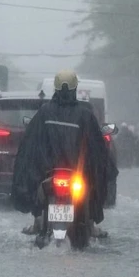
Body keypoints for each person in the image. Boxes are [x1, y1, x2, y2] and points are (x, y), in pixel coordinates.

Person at [13, 70, 118, 238]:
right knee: (96, 184)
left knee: (33, 181)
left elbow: (30, 145)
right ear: (75, 89)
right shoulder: (85, 114)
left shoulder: (45, 112)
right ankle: (89, 224)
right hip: (74, 173)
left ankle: (37, 222)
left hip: (49, 172)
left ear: (55, 89)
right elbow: (97, 149)